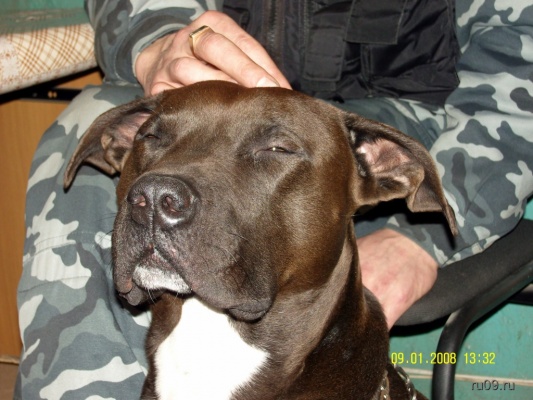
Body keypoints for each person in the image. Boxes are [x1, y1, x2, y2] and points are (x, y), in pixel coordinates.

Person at [16, 0, 533, 398]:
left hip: (413, 116)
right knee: (82, 124)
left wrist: (425, 235)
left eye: (276, 153)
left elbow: (520, 63)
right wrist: (160, 40)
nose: (154, 199)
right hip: (206, 92)